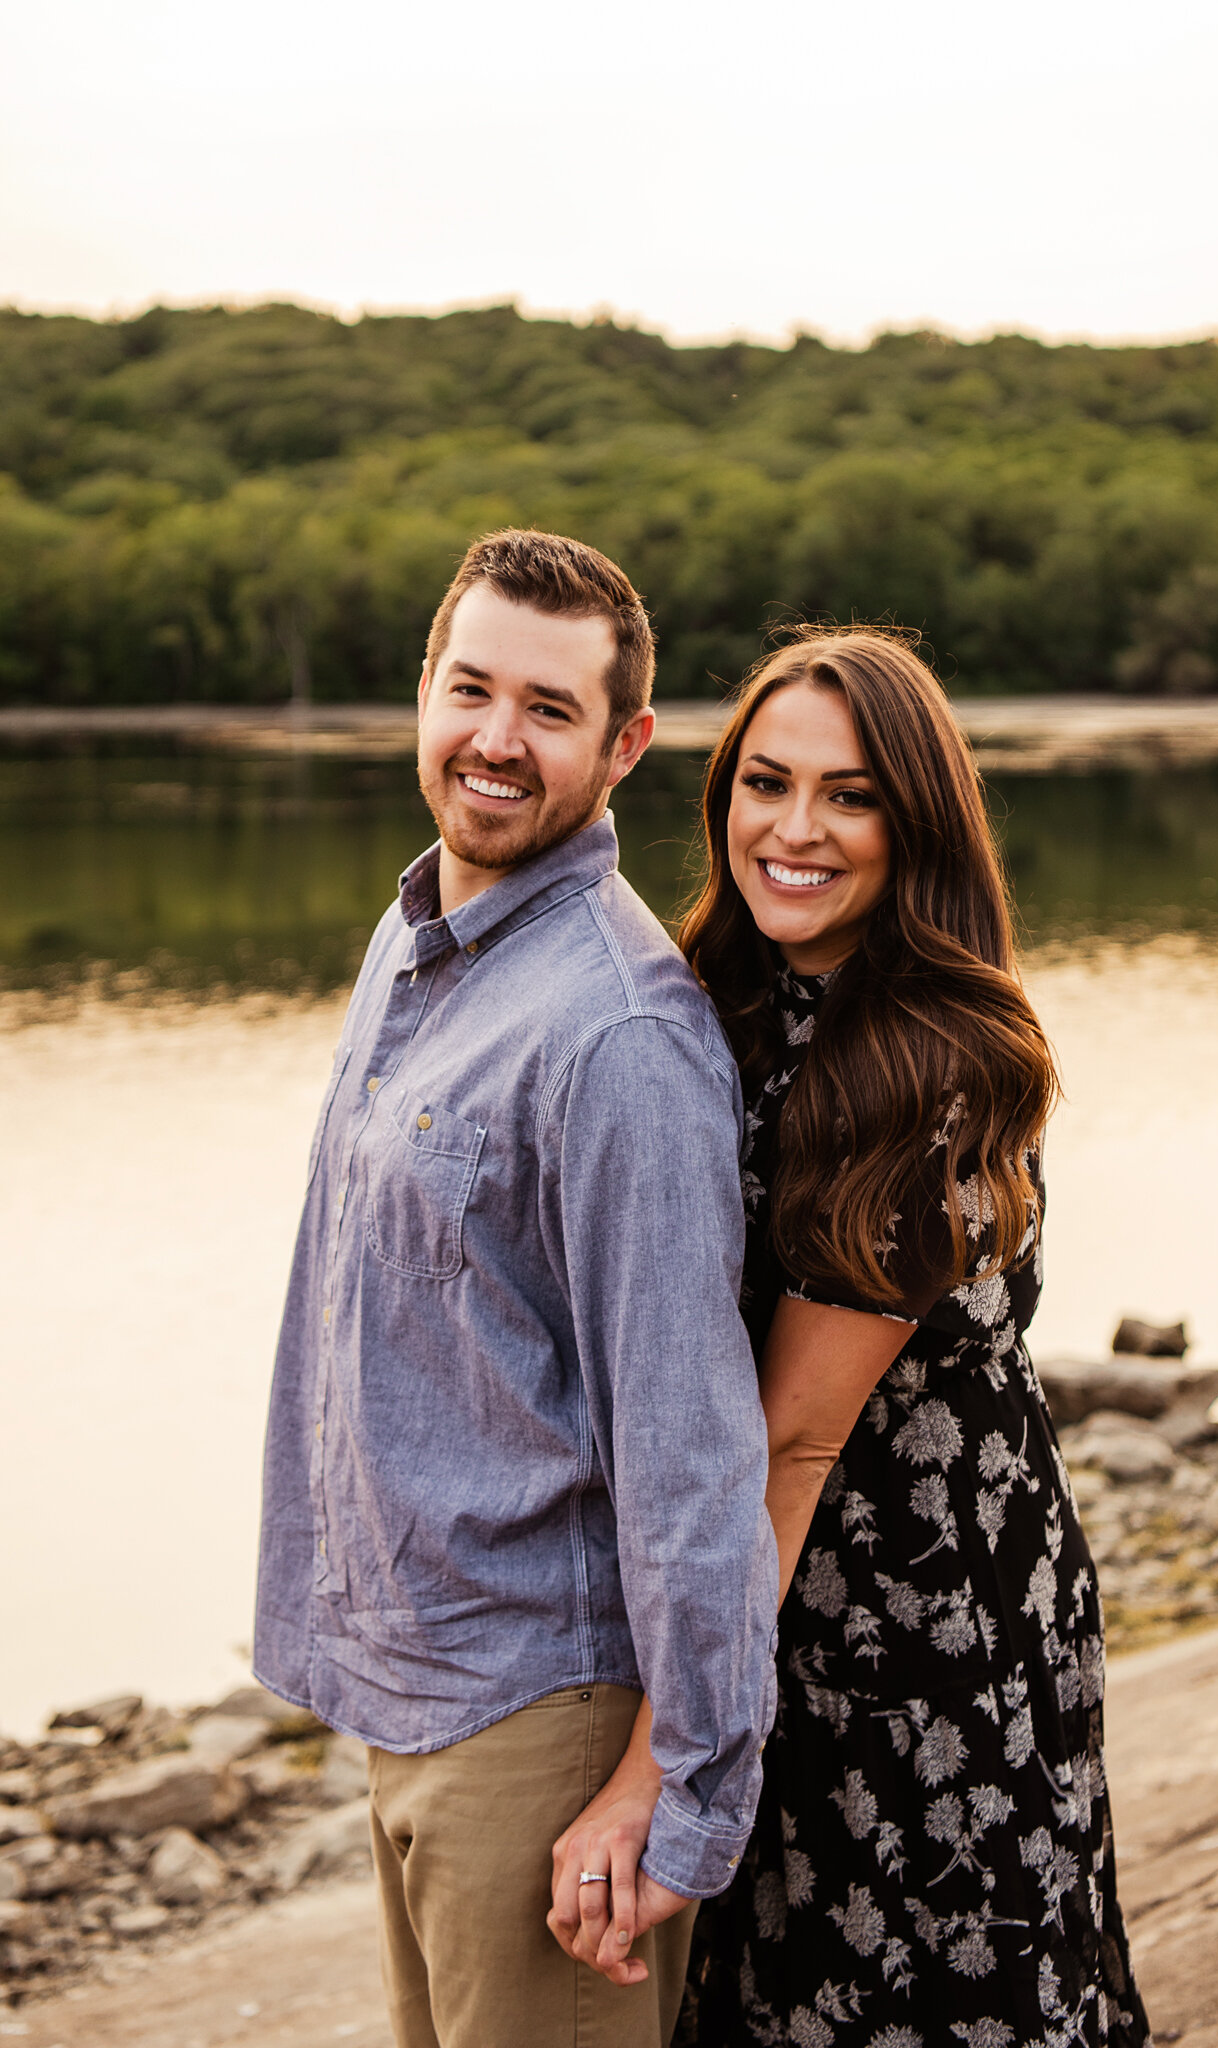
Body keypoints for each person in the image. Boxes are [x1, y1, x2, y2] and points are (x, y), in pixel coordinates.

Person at [567, 626, 1149, 2044]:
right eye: (766, 782)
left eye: (852, 795)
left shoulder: (929, 1062)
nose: (797, 828)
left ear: (917, 823)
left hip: (919, 1622)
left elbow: (794, 1437)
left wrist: (659, 1764)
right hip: (770, 1594)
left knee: (922, 1997)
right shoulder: (730, 1000)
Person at [252, 528, 779, 2048]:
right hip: (409, 1697)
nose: (496, 739)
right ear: (423, 690)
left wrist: (681, 1791)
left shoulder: (618, 1038)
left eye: (549, 710)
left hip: (541, 1738)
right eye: (470, 688)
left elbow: (691, 1459)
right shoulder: (415, 939)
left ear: (625, 749)